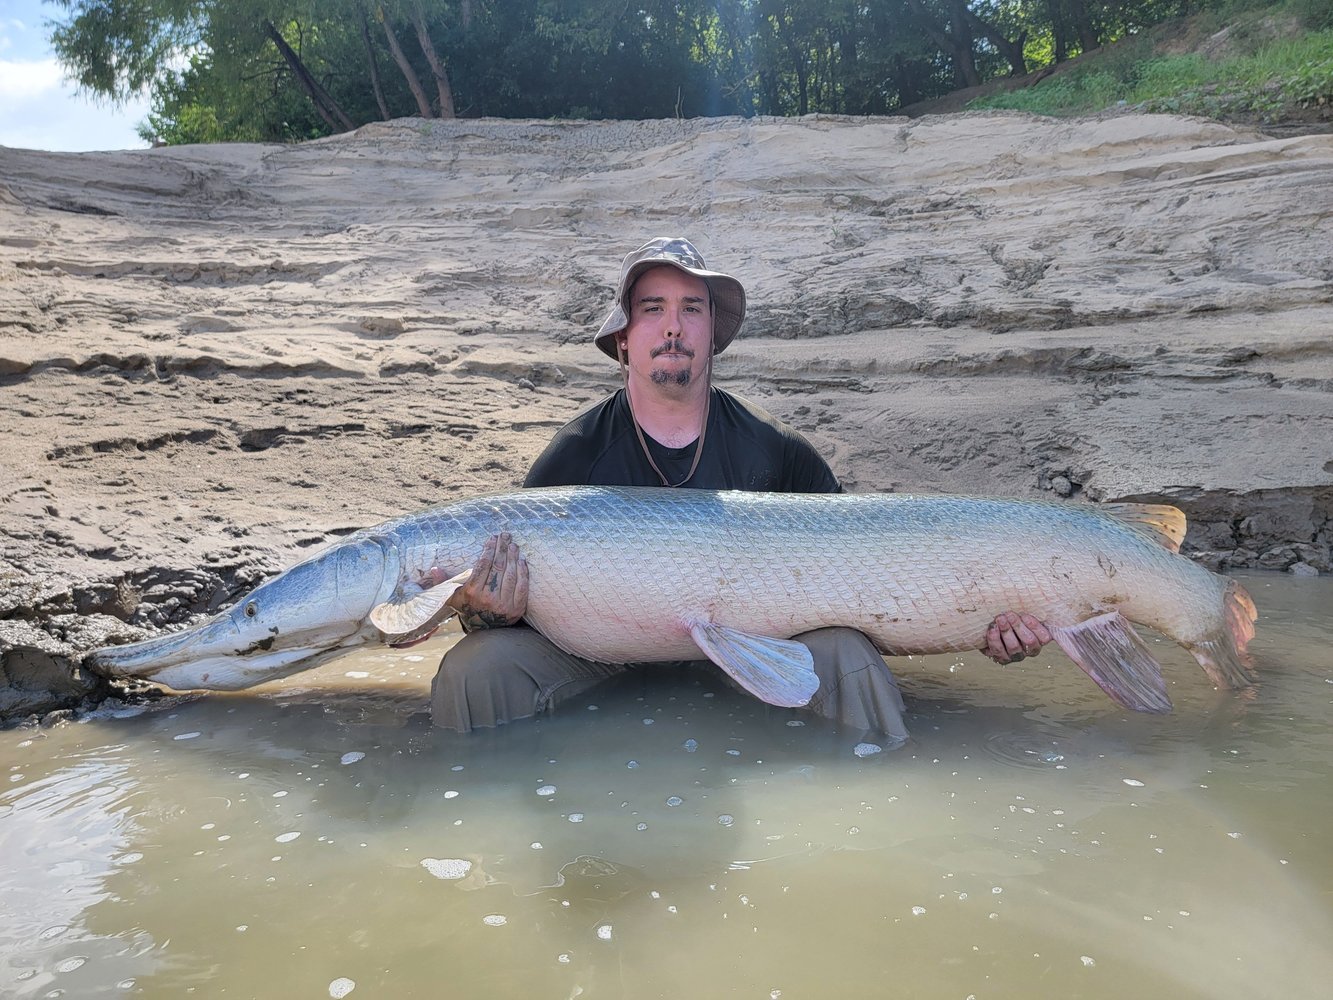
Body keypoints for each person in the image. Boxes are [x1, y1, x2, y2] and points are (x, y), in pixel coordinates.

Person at [429, 237, 1051, 739]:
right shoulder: (573, 455)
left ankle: (877, 820)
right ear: (624, 340)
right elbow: (499, 618)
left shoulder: (776, 450)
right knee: (473, 671)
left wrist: (981, 627)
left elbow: (864, 575)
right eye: (653, 309)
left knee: (848, 655)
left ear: (712, 335)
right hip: (603, 658)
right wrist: (486, 610)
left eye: (691, 310)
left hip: (754, 655)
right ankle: (495, 802)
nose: (673, 327)